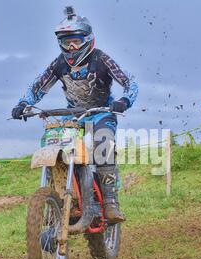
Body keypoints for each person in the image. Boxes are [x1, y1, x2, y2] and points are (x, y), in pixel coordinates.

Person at [12, 6, 138, 224]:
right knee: (51, 142)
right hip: (72, 116)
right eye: (66, 42)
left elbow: (129, 82)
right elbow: (38, 86)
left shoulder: (101, 59)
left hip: (101, 113)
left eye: (76, 41)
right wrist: (24, 103)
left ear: (88, 39)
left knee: (103, 144)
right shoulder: (59, 64)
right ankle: (58, 196)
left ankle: (110, 202)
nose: (71, 47)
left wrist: (124, 101)